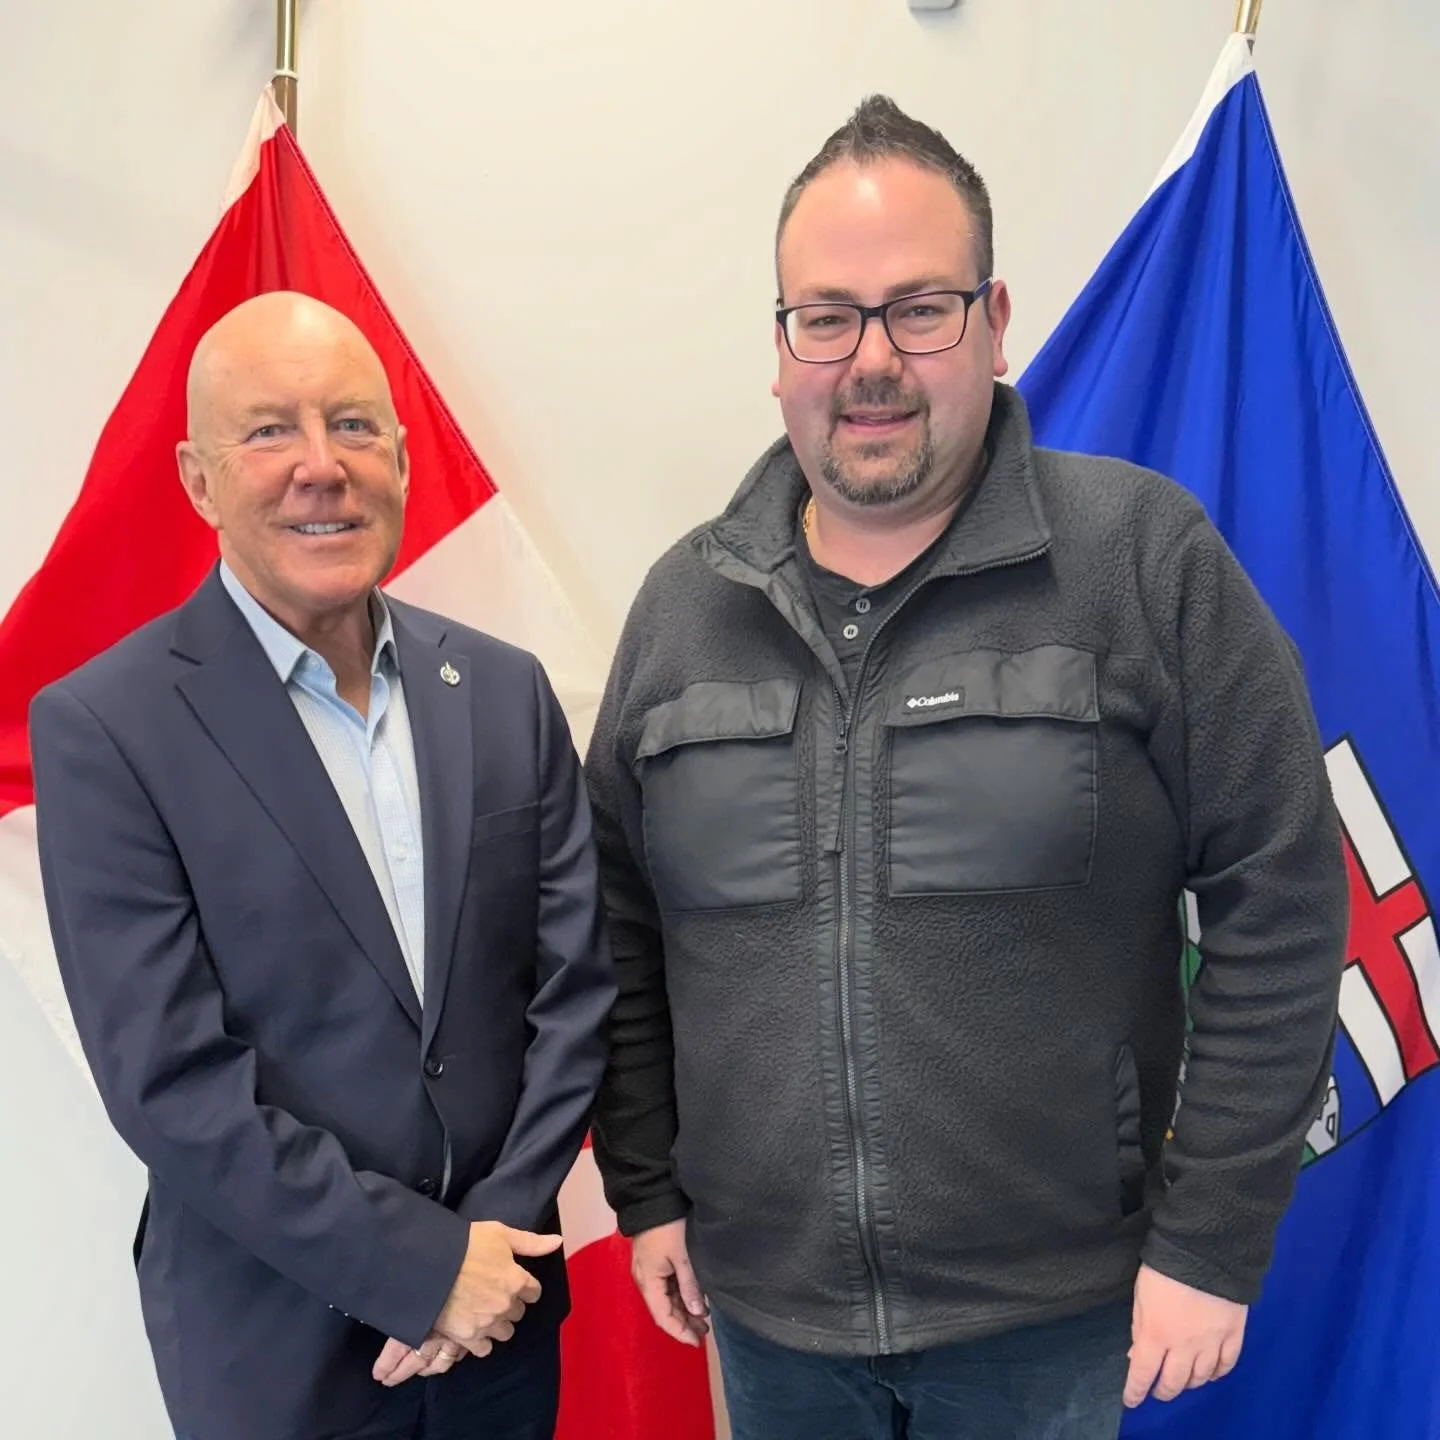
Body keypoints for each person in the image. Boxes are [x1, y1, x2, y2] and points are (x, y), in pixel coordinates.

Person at [583, 97, 1348, 1440]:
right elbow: (617, 925)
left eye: (920, 310)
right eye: (828, 317)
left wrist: (1214, 1239)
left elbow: (1281, 897)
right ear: (781, 348)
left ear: (994, 323)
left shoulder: (1141, 559)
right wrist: (646, 1187)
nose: (872, 360)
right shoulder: (682, 609)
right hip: (766, 1323)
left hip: (1050, 1328)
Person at [30, 291, 615, 1440]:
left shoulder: (505, 693)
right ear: (200, 481)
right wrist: (419, 1269)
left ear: (399, 457)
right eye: (269, 431)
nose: (320, 467)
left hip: (502, 1320)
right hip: (278, 1348)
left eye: (352, 425)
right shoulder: (107, 729)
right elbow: (170, 1082)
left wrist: (483, 1255)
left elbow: (573, 994)